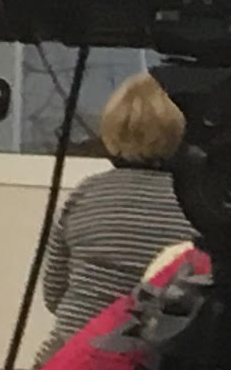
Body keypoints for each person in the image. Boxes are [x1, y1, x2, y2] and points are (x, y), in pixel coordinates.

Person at [42, 68, 188, 342]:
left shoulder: (86, 193)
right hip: (153, 359)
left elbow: (53, 293)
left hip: (72, 354)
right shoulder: (195, 204)